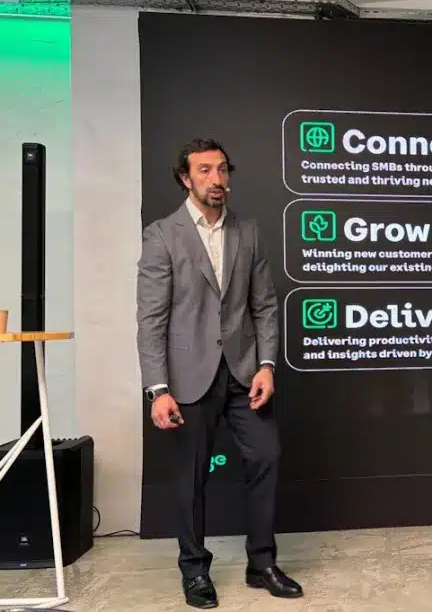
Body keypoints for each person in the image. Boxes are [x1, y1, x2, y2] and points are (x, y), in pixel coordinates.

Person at [136, 139, 302, 608]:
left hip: (245, 372)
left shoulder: (248, 232)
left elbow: (264, 306)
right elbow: (151, 319)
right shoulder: (162, 235)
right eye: (205, 170)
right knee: (190, 479)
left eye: (222, 169)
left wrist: (267, 365)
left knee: (266, 457)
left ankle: (261, 564)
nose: (216, 179)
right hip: (188, 377)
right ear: (185, 179)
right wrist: (157, 389)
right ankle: (194, 570)